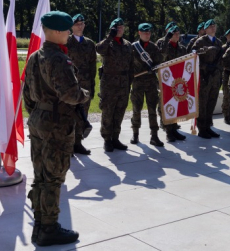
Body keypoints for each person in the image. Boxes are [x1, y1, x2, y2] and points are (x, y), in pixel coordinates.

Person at [23, 11, 90, 246]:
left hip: (39, 119)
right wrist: (85, 95)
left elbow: (27, 95)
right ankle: (49, 229)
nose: (70, 33)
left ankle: (40, 224)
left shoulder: (34, 56)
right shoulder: (59, 59)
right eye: (68, 30)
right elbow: (71, 94)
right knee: (54, 177)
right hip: (56, 124)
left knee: (40, 175)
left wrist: (39, 111)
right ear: (60, 32)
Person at [96, 18, 134, 152]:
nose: (120, 30)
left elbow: (131, 65)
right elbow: (99, 49)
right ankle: (107, 139)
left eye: (121, 27)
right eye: (116, 28)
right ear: (111, 29)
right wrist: (109, 37)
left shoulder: (128, 45)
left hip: (123, 84)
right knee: (108, 111)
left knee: (119, 111)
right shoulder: (108, 43)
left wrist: (130, 83)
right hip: (109, 84)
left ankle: (115, 138)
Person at [130, 23, 164, 147]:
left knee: (152, 110)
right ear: (139, 33)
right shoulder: (133, 47)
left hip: (150, 83)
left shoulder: (154, 47)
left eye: (149, 32)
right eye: (144, 32)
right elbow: (128, 64)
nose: (147, 34)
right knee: (136, 109)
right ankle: (135, 133)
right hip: (137, 82)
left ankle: (154, 135)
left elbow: (159, 62)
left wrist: (154, 67)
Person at [66, 14, 96, 155]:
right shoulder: (66, 42)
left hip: (85, 86)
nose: (80, 26)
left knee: (82, 114)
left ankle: (77, 143)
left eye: (82, 23)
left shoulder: (89, 44)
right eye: (77, 24)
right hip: (69, 85)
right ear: (72, 26)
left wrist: (92, 85)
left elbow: (92, 66)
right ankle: (68, 145)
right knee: (68, 115)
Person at [157, 24, 188, 142]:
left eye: (178, 33)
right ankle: (168, 131)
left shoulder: (181, 48)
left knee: (176, 104)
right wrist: (166, 38)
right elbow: (160, 55)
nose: (177, 34)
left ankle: (174, 128)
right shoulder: (162, 42)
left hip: (177, 81)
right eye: (174, 33)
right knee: (166, 105)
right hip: (165, 80)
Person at [193, 19, 223, 138]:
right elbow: (194, 58)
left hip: (215, 78)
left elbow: (221, 60)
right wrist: (206, 67)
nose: (213, 28)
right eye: (210, 26)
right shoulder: (200, 41)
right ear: (205, 29)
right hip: (204, 77)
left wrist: (217, 70)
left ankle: (208, 126)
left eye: (214, 26)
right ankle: (202, 128)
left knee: (212, 102)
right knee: (203, 103)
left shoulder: (219, 42)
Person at [221, 28, 230, 123]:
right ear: (226, 36)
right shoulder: (224, 47)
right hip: (226, 74)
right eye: (229, 35)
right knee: (226, 95)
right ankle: (226, 114)